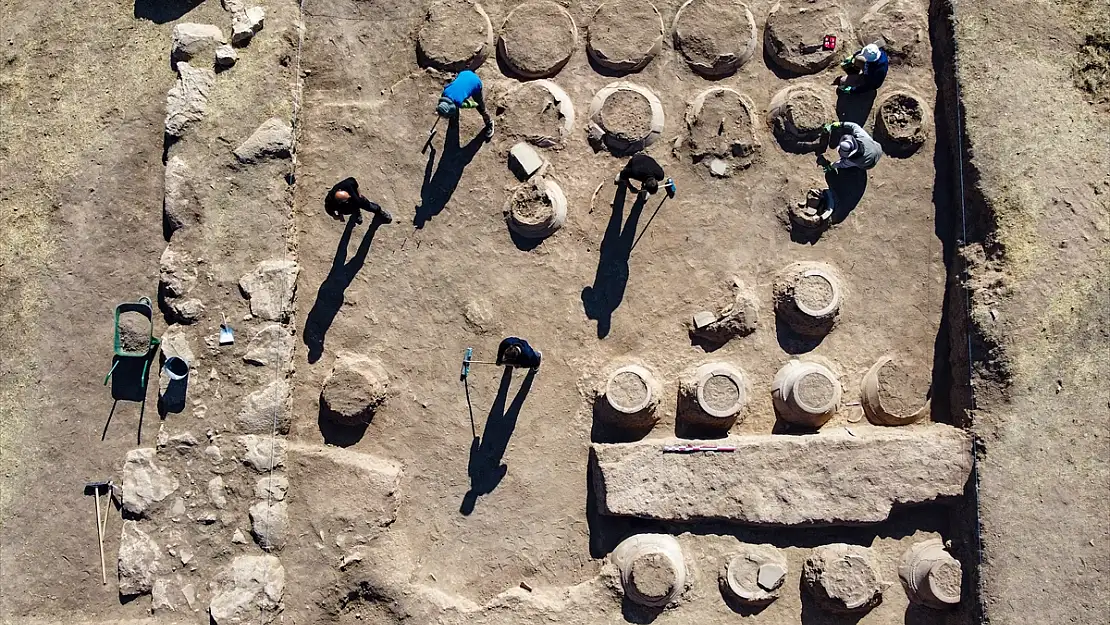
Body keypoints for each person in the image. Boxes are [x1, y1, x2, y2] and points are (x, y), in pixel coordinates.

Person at [437, 70, 494, 139]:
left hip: (475, 83)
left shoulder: (459, 102)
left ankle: (489, 123)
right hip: (464, 73)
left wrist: (476, 104)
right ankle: (454, 118)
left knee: (481, 107)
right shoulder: (445, 92)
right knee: (455, 105)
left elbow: (473, 104)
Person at [817, 121, 883, 173]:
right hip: (877, 147)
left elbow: (842, 164)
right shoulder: (862, 137)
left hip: (870, 163)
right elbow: (854, 126)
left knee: (860, 166)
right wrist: (841, 124)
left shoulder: (854, 160)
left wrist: (831, 166)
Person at [325, 177, 393, 224]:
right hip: (347, 209)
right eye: (347, 199)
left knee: (371, 207)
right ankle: (357, 213)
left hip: (359, 201)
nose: (350, 197)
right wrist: (339, 217)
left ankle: (380, 213)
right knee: (353, 210)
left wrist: (359, 194)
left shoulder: (347, 184)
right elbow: (333, 215)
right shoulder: (330, 203)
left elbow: (354, 182)